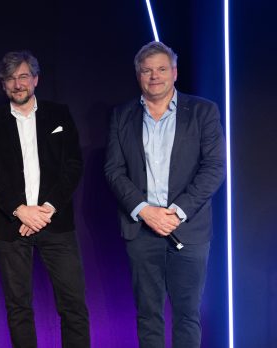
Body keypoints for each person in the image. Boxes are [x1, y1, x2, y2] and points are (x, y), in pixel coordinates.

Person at [104, 41, 225, 347]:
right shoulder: (122, 115)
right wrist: (145, 211)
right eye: (147, 70)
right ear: (138, 75)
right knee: (148, 315)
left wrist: (176, 212)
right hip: (141, 230)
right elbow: (114, 171)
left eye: (161, 69)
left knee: (187, 315)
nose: (154, 76)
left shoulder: (203, 111)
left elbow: (214, 168)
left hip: (188, 228)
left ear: (174, 72)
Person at [0, 51, 90, 347]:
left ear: (36, 79)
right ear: (3, 84)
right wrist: (20, 211)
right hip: (11, 227)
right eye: (10, 78)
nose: (18, 84)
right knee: (19, 309)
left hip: (56, 223)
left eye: (24, 76)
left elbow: (73, 165)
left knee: (73, 305)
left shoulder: (59, 114)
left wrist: (46, 209)